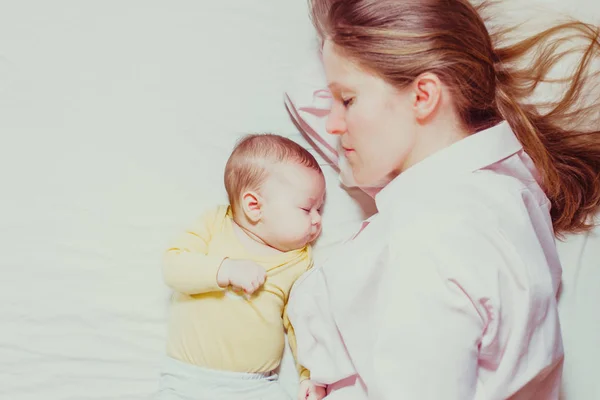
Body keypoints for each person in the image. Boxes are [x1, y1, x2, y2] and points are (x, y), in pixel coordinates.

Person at [285, 0, 600, 399]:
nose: (332, 123)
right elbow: (303, 90)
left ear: (424, 97)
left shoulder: (429, 245)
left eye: (346, 100)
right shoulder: (504, 176)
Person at [159, 133, 327, 400]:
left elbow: (301, 322)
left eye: (320, 209)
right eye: (307, 209)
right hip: (187, 380)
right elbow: (174, 266)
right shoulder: (215, 224)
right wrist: (225, 271)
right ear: (254, 206)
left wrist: (309, 374)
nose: (318, 220)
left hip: (255, 386)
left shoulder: (298, 261)